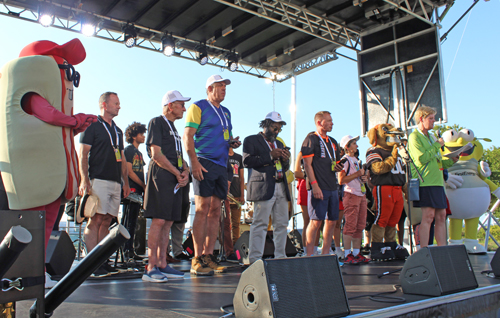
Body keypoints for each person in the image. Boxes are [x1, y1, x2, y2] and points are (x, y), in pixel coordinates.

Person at [184, 74, 241, 276]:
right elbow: (188, 136)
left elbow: (224, 136)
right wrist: (194, 162)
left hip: (222, 164)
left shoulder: (226, 112)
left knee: (216, 210)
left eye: (225, 87)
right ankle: (197, 258)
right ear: (209, 89)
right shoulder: (198, 107)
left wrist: (231, 143)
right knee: (202, 209)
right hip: (204, 161)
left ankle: (209, 256)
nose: (224, 90)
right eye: (220, 86)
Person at [79, 92, 130, 277]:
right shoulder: (92, 125)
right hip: (98, 178)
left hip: (116, 181)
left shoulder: (117, 130)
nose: (119, 106)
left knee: (108, 220)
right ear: (104, 104)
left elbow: (122, 158)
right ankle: (91, 262)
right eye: (116, 103)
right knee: (96, 219)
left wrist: (126, 182)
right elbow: (83, 154)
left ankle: (102, 260)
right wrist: (84, 179)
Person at [142, 90, 190, 282]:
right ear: (170, 106)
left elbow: (179, 157)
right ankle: (151, 266)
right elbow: (156, 154)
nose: (184, 109)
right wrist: (177, 172)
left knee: (169, 221)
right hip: (161, 175)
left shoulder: (175, 129)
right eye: (181, 104)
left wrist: (185, 171)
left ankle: (163, 263)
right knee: (159, 220)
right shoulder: (157, 122)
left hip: (175, 179)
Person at [243, 111, 291, 264]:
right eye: (274, 128)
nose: (276, 131)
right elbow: (247, 161)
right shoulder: (251, 140)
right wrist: (270, 155)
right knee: (260, 223)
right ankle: (255, 259)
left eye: (279, 129)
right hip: (263, 187)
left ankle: (280, 257)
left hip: (280, 186)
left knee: (282, 224)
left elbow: (284, 167)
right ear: (266, 125)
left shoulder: (280, 143)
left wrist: (285, 160)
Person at [408, 106, 457, 247]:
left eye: (433, 118)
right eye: (431, 118)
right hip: (425, 182)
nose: (433, 121)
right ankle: (424, 250)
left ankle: (442, 248)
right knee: (428, 216)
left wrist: (451, 160)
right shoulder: (414, 136)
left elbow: (436, 161)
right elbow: (421, 159)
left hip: (438, 182)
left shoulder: (431, 137)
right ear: (421, 119)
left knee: (441, 216)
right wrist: (437, 145)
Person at [301, 111, 343, 256]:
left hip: (332, 186)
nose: (332, 123)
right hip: (318, 186)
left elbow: (335, 163)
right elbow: (307, 165)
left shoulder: (333, 142)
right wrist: (314, 185)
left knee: (331, 221)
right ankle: (309, 255)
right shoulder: (311, 139)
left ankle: (325, 254)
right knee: (315, 221)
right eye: (329, 121)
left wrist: (338, 167)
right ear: (320, 122)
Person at [338, 135, 370, 264]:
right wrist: (357, 174)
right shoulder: (344, 160)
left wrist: (363, 178)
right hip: (350, 194)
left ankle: (356, 252)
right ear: (347, 146)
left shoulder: (356, 160)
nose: (356, 145)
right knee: (350, 224)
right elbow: (341, 180)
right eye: (354, 143)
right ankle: (347, 253)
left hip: (360, 194)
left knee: (360, 224)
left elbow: (356, 176)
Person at [123, 121, 147, 261]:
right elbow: (129, 171)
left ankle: (130, 249)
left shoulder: (139, 152)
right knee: (128, 221)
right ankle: (126, 250)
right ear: (134, 135)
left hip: (137, 191)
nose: (143, 136)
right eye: (141, 134)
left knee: (133, 222)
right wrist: (143, 185)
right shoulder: (129, 150)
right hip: (130, 190)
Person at [228, 148, 245, 246]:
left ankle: (235, 246)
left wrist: (242, 195)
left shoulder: (239, 158)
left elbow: (242, 178)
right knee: (224, 224)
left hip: (237, 194)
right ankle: (226, 247)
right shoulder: (222, 156)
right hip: (225, 195)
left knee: (236, 224)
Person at [294, 152, 309, 252]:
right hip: (305, 188)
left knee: (319, 221)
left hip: (319, 187)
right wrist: (310, 175)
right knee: (307, 220)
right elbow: (296, 173)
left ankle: (315, 248)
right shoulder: (302, 154)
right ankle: (306, 249)